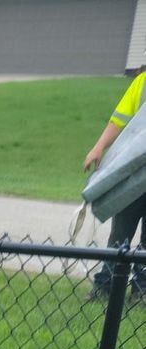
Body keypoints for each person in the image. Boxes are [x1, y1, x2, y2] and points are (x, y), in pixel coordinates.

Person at [85, 69, 146, 299]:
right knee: (120, 233)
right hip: (133, 175)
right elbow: (118, 119)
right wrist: (98, 147)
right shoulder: (142, 82)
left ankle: (142, 289)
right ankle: (106, 285)